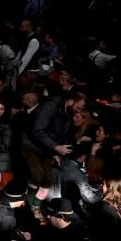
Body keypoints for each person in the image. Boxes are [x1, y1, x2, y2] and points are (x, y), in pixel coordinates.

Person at [23, 91, 87, 221]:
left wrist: (57, 152)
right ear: (70, 101)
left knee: (47, 181)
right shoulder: (51, 106)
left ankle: (35, 206)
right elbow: (38, 130)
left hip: (48, 148)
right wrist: (56, 147)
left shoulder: (69, 115)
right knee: (38, 176)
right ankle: (25, 204)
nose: (78, 111)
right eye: (78, 107)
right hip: (32, 145)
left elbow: (61, 136)